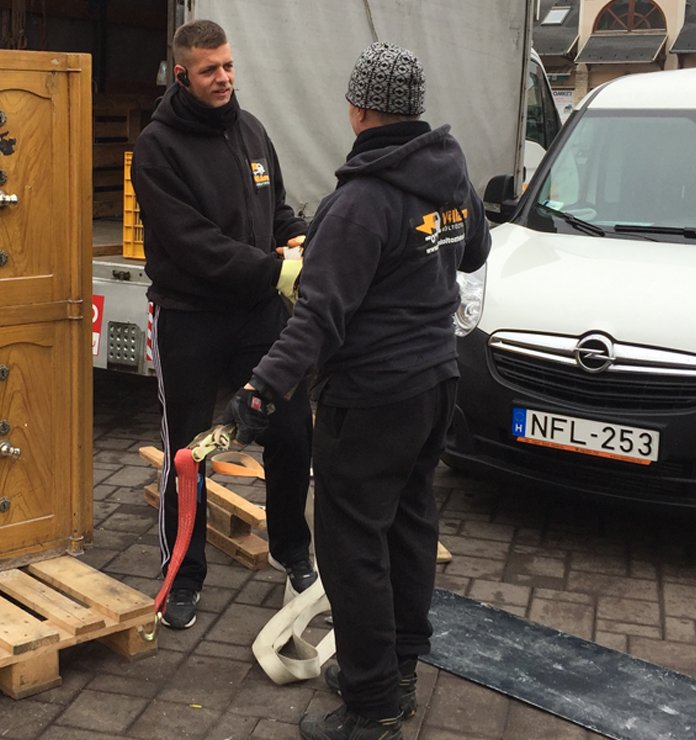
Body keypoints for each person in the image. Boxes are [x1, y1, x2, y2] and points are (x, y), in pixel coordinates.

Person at [223, 42, 491, 739]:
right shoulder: (450, 175)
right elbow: (476, 252)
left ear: (360, 107)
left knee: (352, 549)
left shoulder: (363, 199)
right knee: (407, 527)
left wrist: (259, 393)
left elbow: (319, 316)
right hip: (437, 383)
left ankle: (372, 706)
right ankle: (396, 668)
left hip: (371, 398)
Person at [130, 19, 316, 630]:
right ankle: (182, 575)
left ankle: (293, 550)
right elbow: (193, 246)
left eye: (229, 66)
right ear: (182, 75)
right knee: (187, 449)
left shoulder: (252, 130)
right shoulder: (157, 148)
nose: (224, 79)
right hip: (190, 317)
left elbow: (277, 207)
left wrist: (297, 238)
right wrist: (274, 271)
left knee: (290, 431)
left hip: (258, 316)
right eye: (210, 70)